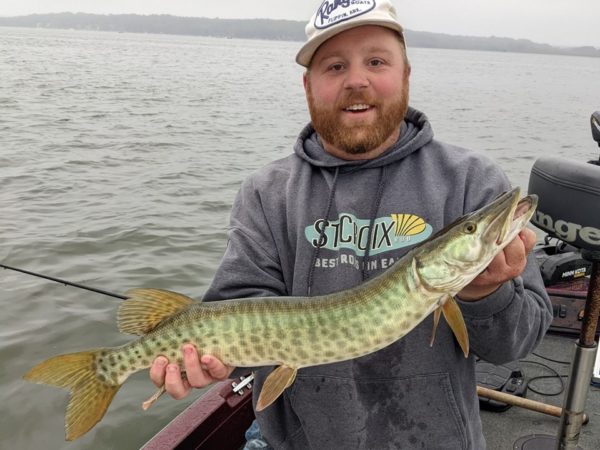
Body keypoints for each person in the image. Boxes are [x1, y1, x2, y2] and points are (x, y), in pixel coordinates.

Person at [150, 1, 553, 448]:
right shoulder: (267, 193)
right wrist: (214, 358)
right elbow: (240, 311)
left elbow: (515, 345)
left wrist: (485, 293)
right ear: (308, 86)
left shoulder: (471, 181)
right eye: (335, 66)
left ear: (406, 75)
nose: (357, 80)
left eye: (376, 61)